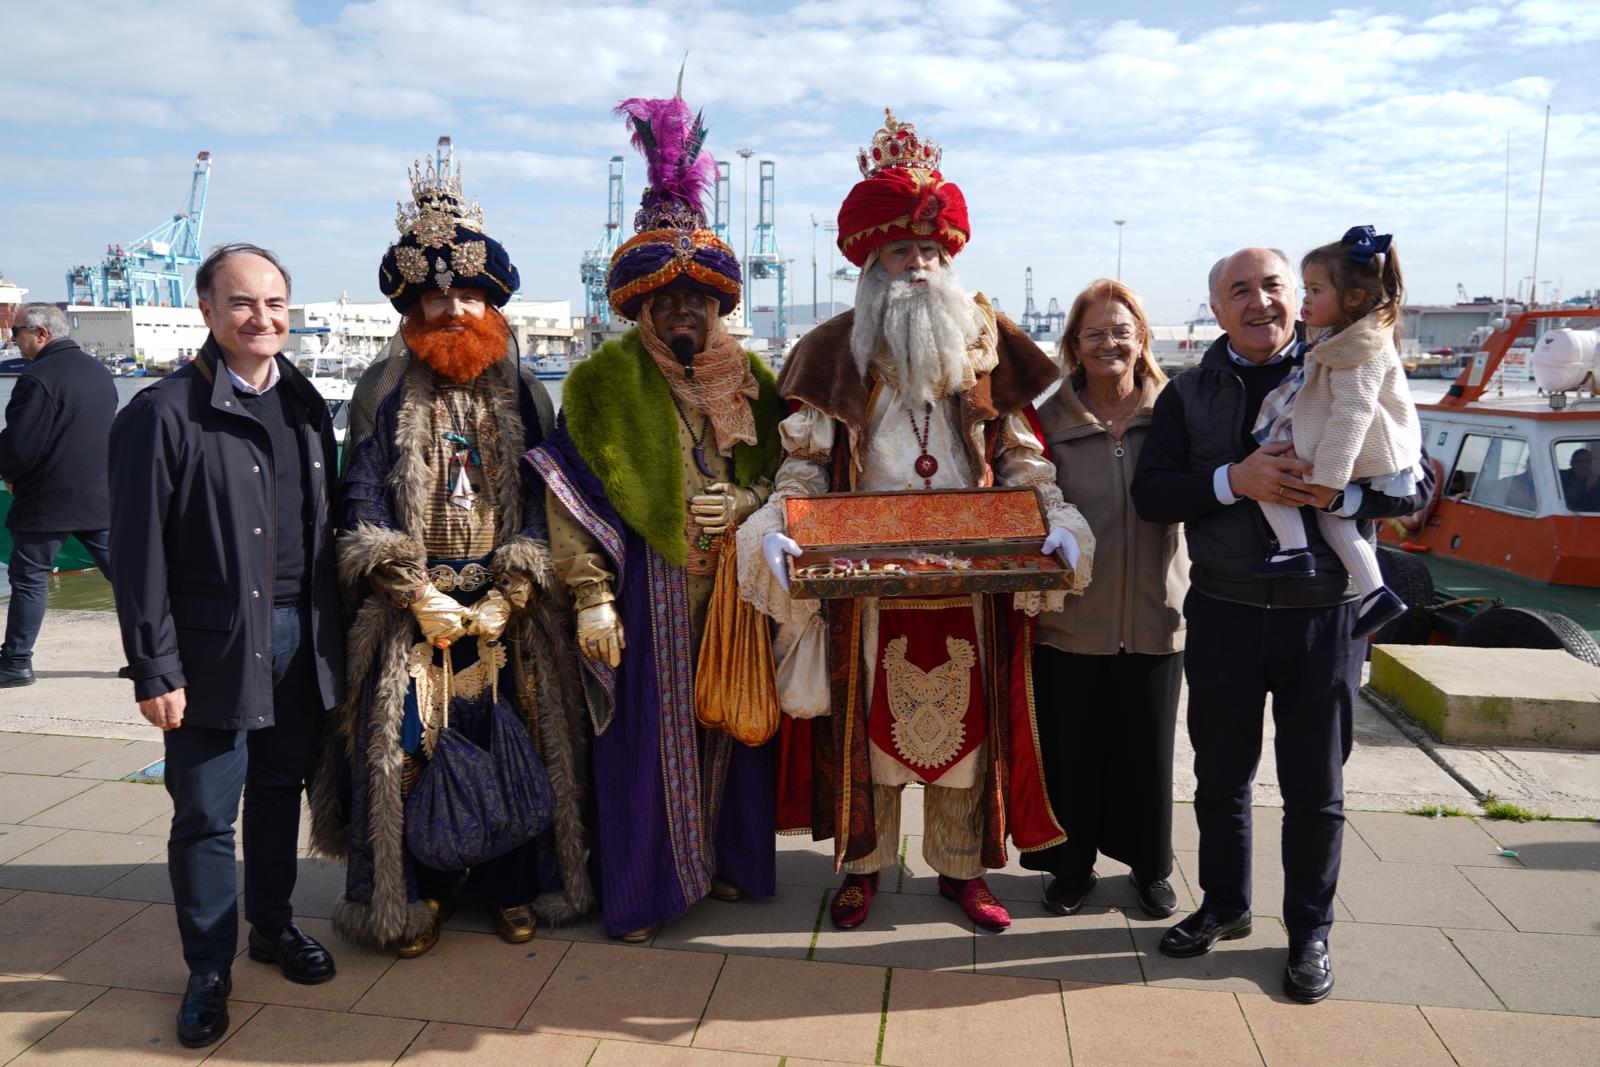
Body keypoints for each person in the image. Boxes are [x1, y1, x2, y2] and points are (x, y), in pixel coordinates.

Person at [737, 109, 1095, 935]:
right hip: (864, 583)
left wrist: (1057, 521)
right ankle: (863, 868)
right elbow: (801, 466)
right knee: (866, 733)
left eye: (933, 252)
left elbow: (1020, 460)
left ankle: (961, 872)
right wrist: (780, 524)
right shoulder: (835, 352)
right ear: (873, 264)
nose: (921, 266)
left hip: (972, 583)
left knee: (968, 742)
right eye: (904, 252)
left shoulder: (986, 347)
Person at [1130, 246, 1434, 1004]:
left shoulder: (1352, 361)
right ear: (1217, 308)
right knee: (1219, 778)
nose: (1259, 301)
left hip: (1323, 620)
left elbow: (1414, 481)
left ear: (1299, 297)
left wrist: (1338, 501)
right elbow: (1153, 494)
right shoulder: (1189, 393)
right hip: (1226, 610)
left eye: (1272, 285)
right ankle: (1225, 905)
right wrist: (1235, 480)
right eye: (1239, 290)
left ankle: (1309, 931)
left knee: (1315, 786)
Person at [308, 152, 593, 958]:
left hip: (506, 605)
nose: (454, 310)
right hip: (416, 606)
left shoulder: (521, 388)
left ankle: (509, 885)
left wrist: (518, 583)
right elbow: (360, 496)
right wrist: (408, 588)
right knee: (405, 748)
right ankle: (416, 891)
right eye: (438, 298)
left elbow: (550, 493)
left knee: (513, 735)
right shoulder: (383, 389)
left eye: (469, 295)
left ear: (491, 302)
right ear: (413, 307)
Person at [525, 87, 784, 943]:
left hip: (737, 594)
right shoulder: (601, 385)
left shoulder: (753, 382)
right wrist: (592, 594)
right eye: (664, 298)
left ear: (719, 307)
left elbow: (796, 482)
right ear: (638, 307)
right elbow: (572, 495)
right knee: (645, 747)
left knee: (735, 730)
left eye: (697, 300)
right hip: (648, 593)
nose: (683, 311)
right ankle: (644, 893)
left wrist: (747, 500)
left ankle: (733, 865)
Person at [108, 244, 346, 1047]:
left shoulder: (309, 406)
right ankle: (208, 966)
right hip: (211, 645)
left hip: (300, 637)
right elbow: (136, 553)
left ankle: (272, 927)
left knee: (281, 793)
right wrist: (153, 664)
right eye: (243, 303)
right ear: (206, 310)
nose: (262, 318)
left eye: (276, 302)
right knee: (207, 814)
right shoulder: (164, 411)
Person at [1023, 279, 1188, 920]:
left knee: (1149, 753)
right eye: (1094, 332)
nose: (1109, 343)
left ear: (1141, 338)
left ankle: (1151, 869)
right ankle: (1072, 867)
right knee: (1075, 753)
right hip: (1072, 620)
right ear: (1074, 344)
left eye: (1121, 330)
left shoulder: (1174, 412)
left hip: (1157, 613)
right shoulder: (1046, 422)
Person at [1249, 227, 1422, 639]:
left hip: (1362, 459)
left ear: (1353, 299)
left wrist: (1328, 478)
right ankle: (1376, 592)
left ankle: (1294, 550)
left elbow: (1352, 413)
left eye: (1314, 291)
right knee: (1334, 521)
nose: (1304, 301)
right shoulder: (1344, 338)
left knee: (1267, 482)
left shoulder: (1358, 349)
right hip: (1365, 460)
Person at [0, 303, 117, 688]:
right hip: (100, 498)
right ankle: (152, 656)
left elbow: (20, 445)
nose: (13, 339)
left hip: (46, 501)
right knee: (128, 578)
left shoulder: (39, 378)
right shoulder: (99, 372)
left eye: (17, 333)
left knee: (30, 579)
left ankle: (16, 662)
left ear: (41, 333)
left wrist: (9, 475)